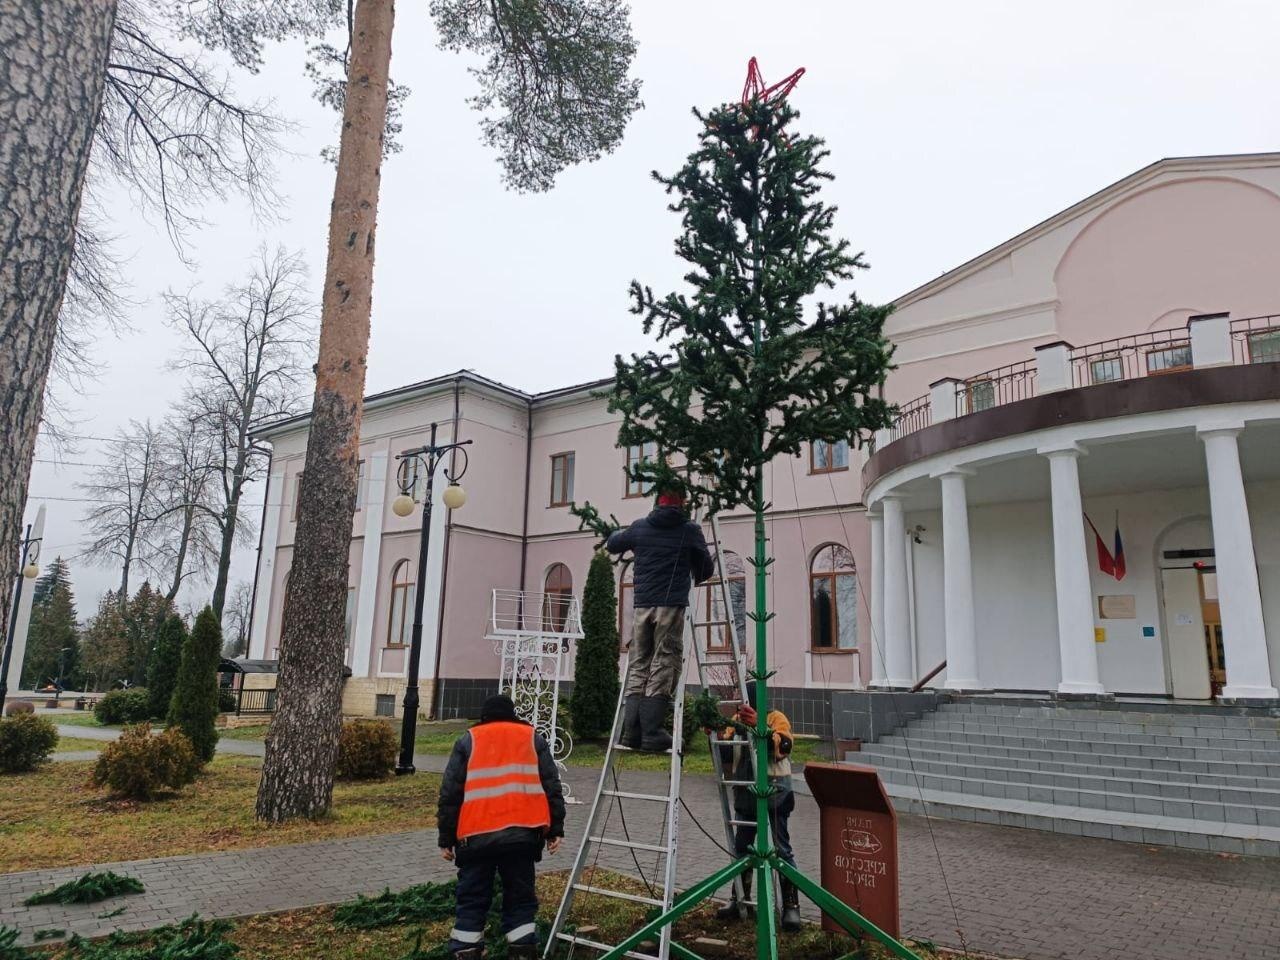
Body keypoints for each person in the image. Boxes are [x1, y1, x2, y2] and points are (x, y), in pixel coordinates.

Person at [437, 694, 567, 959]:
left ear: (483, 718)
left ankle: (466, 950)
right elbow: (551, 785)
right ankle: (522, 950)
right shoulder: (532, 739)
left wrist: (446, 838)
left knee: (472, 897)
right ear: (512, 715)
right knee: (520, 896)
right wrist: (555, 829)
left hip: (475, 837)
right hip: (522, 835)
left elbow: (450, 793)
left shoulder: (468, 741)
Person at [606, 484, 715, 752]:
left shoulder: (640, 527)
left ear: (658, 503)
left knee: (639, 663)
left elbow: (613, 544)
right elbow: (706, 567)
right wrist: (692, 571)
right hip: (670, 606)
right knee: (665, 660)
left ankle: (630, 733)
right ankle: (652, 733)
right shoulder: (689, 529)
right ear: (682, 503)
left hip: (642, 606)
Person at [714, 686, 801, 931]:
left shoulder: (777, 718)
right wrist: (716, 735)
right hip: (745, 792)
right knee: (742, 848)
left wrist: (759, 728)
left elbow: (784, 747)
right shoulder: (735, 721)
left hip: (775, 793)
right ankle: (739, 899)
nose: (744, 707)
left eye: (748, 702)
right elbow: (728, 754)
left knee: (782, 848)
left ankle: (791, 906)